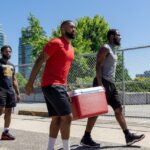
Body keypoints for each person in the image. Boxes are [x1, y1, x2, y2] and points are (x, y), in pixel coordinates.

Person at [80, 29, 145, 147]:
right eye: (118, 35)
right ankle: (86, 137)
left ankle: (128, 136)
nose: (120, 37)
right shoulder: (105, 48)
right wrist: (100, 85)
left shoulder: (113, 50)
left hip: (111, 84)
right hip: (102, 82)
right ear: (111, 36)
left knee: (118, 109)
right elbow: (98, 66)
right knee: (95, 112)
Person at [25, 20, 76, 150]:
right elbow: (39, 60)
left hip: (60, 86)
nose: (74, 29)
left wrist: (65, 87)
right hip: (51, 84)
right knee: (68, 117)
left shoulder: (71, 48)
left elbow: (63, 69)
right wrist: (30, 83)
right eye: (71, 27)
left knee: (57, 118)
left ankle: (50, 148)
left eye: (75, 27)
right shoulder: (56, 43)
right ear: (63, 29)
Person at [0, 45, 21, 140]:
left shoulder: (12, 65)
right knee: (1, 109)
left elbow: (14, 80)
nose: (8, 53)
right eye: (6, 51)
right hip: (0, 90)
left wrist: (18, 93)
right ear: (2, 52)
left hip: (10, 91)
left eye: (9, 51)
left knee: (8, 111)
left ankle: (5, 133)